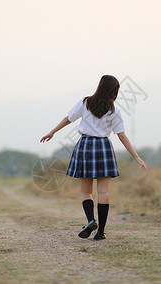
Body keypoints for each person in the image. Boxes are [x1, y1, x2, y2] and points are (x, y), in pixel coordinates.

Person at [40, 75, 147, 240]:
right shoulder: (114, 111)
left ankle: (91, 220)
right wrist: (137, 157)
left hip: (85, 146)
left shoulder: (85, 102)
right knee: (103, 192)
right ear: (115, 91)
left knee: (85, 192)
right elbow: (122, 136)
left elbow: (68, 119)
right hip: (103, 147)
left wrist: (52, 132)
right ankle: (100, 232)